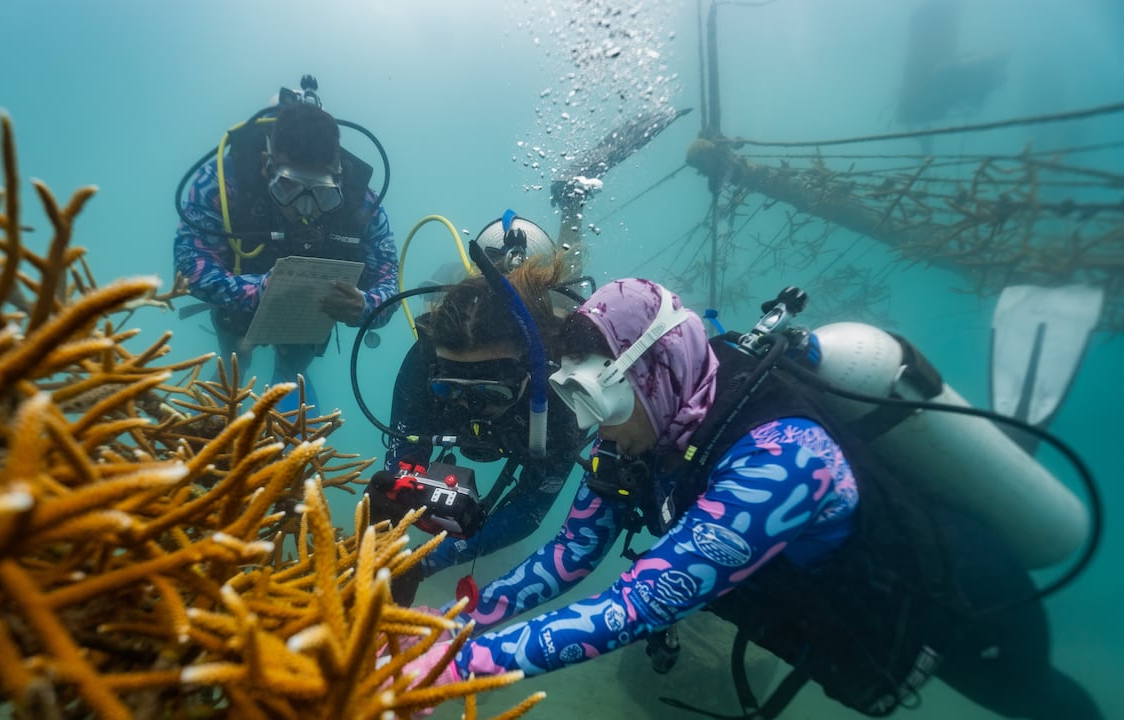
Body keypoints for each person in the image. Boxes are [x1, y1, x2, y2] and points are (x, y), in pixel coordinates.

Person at [400, 278, 1102, 719]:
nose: (587, 422)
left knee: (1036, 703)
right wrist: (455, 621)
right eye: (570, 396)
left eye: (597, 396)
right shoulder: (636, 434)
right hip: (869, 621)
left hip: (968, 609)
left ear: (652, 372)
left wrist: (444, 669)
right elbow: (570, 554)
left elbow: (640, 602)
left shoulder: (786, 457)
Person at [364, 233, 586, 606]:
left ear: (531, 373)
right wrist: (386, 527)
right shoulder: (422, 364)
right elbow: (400, 466)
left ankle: (570, 220)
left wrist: (425, 563)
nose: (469, 408)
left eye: (490, 394)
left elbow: (530, 508)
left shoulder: (561, 395)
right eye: (449, 390)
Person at [173, 88, 397, 406]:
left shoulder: (363, 200)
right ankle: (225, 399)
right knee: (235, 360)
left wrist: (365, 305)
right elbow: (188, 263)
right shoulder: (222, 182)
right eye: (289, 187)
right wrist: (258, 292)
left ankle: (288, 393)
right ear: (268, 164)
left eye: (322, 193)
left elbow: (390, 279)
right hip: (237, 312)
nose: (304, 209)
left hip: (307, 323)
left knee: (294, 369)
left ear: (339, 173)